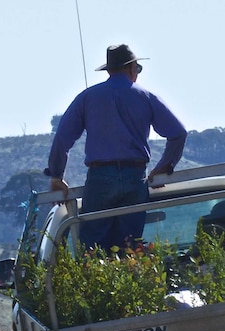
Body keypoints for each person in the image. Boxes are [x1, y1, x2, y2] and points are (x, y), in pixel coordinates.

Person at [44, 43, 187, 250]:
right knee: (128, 246)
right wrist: (165, 165)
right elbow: (178, 133)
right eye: (137, 69)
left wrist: (56, 176)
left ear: (109, 70)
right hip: (135, 177)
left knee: (92, 248)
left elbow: (62, 139)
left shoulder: (87, 98)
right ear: (131, 68)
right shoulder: (146, 97)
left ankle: (95, 280)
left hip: (100, 177)